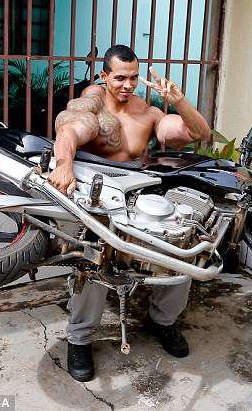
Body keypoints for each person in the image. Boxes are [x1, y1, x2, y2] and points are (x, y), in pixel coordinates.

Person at [48, 45, 211, 382]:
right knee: (95, 260)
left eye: (133, 78)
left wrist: (179, 101)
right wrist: (64, 164)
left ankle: (163, 321)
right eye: (120, 78)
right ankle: (79, 339)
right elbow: (69, 130)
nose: (128, 85)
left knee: (179, 249)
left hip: (136, 192)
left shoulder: (147, 112)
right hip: (95, 192)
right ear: (104, 75)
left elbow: (199, 135)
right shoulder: (93, 101)